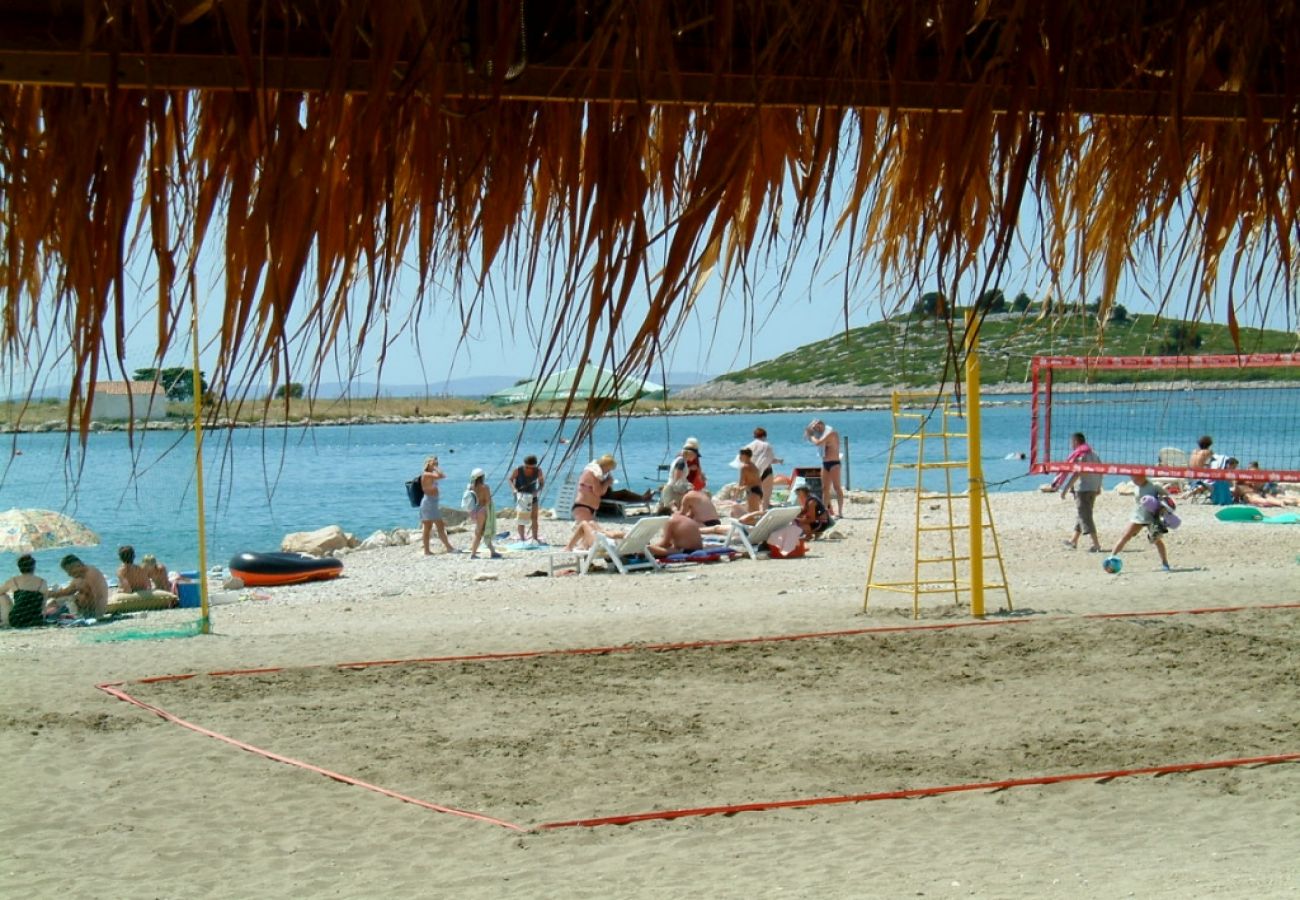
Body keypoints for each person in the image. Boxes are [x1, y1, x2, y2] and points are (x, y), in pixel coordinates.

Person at [1108, 474, 1173, 571]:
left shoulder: (1154, 486)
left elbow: (1168, 498)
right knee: (1125, 536)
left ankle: (1165, 563)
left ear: (1142, 476)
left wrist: (1162, 505)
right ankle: (1111, 558)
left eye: (1135, 478)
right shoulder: (1136, 487)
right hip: (1138, 516)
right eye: (1132, 478)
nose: (1133, 480)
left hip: (1152, 517)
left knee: (1156, 540)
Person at [1057, 432, 1104, 552]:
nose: (1071, 445)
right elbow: (1101, 471)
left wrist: (1066, 489)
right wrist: (1098, 486)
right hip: (1092, 488)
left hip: (1083, 489)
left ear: (1076, 442)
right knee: (1082, 514)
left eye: (1072, 442)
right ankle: (1073, 541)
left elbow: (1077, 473)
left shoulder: (1080, 455)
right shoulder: (1094, 454)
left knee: (1085, 516)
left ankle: (1096, 545)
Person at [111, 544, 178, 610]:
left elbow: (128, 590)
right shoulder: (140, 569)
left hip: (133, 597)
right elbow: (148, 586)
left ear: (120, 558)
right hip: (144, 594)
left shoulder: (121, 571)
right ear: (134, 556)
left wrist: (120, 590)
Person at [47, 554, 110, 619]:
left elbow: (97, 596)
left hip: (92, 612)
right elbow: (68, 591)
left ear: (77, 566)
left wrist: (98, 616)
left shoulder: (90, 575)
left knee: (63, 600)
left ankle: (46, 613)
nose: (69, 574)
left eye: (69, 570)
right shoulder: (85, 574)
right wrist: (52, 594)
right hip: (93, 610)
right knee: (57, 600)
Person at [805, 419, 844, 518]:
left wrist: (811, 436)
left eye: (816, 427)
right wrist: (809, 432)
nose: (816, 430)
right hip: (825, 463)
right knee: (825, 488)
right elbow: (806, 437)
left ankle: (840, 512)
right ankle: (825, 511)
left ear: (821, 424)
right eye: (814, 428)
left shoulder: (831, 433)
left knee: (836, 487)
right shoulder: (819, 434)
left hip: (834, 463)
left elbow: (818, 443)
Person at [419, 455, 456, 555]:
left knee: (430, 528)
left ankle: (428, 550)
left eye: (437, 463)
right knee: (437, 526)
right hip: (429, 503)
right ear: (428, 464)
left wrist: (434, 467)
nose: (436, 465)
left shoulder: (430, 474)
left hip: (432, 503)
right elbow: (442, 476)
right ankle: (448, 548)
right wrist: (435, 468)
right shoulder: (426, 474)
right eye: (434, 463)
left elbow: (440, 477)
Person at [0, 554, 49, 628]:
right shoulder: (42, 582)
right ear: (34, 567)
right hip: (36, 621)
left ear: (19, 567)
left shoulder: (13, 580)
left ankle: (5, 622)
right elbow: (43, 606)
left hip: (16, 620)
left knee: (2, 596)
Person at [464, 468, 501, 559]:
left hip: (474, 511)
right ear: (482, 477)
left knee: (483, 531)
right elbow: (487, 501)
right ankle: (473, 554)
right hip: (482, 511)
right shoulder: (485, 487)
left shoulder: (470, 487)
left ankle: (493, 552)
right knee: (479, 532)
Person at [743, 427, 783, 510]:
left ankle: (752, 516)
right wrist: (779, 461)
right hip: (766, 471)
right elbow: (770, 460)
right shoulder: (767, 445)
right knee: (766, 498)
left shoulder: (748, 447)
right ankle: (763, 514)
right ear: (764, 436)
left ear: (754, 436)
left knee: (752, 498)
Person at [511, 454, 546, 542]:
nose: (529, 469)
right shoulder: (518, 469)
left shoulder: (538, 471)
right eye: (527, 467)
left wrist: (537, 491)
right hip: (521, 497)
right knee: (521, 519)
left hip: (532, 496)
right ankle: (522, 538)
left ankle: (535, 537)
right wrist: (514, 489)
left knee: (534, 518)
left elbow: (542, 483)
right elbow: (510, 479)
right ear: (524, 464)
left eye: (531, 468)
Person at [574, 455, 615, 522]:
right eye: (608, 469)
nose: (608, 472)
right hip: (585, 506)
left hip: (585, 504)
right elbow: (599, 492)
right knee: (587, 527)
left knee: (583, 527)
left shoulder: (592, 471)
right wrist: (607, 482)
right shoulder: (594, 474)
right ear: (605, 466)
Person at [562, 520, 627, 552]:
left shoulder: (628, 534)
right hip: (610, 543)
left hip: (605, 545)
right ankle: (584, 545)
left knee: (583, 523)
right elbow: (618, 535)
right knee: (591, 523)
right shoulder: (632, 536)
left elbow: (612, 535)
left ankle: (569, 547)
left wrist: (604, 531)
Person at [737, 447, 763, 514]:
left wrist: (735, 495)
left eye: (740, 455)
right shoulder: (754, 466)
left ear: (745, 456)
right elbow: (757, 480)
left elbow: (741, 483)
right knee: (755, 512)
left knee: (752, 514)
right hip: (758, 491)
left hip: (752, 492)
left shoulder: (744, 467)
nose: (739, 457)